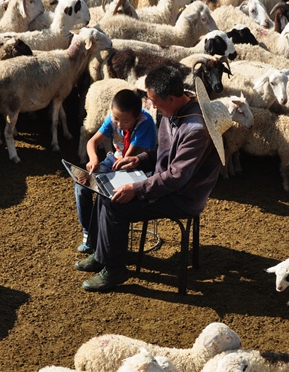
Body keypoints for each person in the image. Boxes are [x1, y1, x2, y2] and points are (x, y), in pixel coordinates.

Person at [75, 64, 223, 292]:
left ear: (172, 98)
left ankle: (115, 269)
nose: (151, 106)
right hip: (162, 179)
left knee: (115, 203)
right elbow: (165, 153)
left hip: (182, 195)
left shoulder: (195, 129)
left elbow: (177, 176)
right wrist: (141, 159)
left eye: (155, 101)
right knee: (104, 189)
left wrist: (137, 188)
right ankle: (101, 254)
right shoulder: (171, 112)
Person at [74, 89, 157, 253]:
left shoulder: (145, 123)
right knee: (82, 185)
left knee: (104, 190)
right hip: (116, 159)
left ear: (137, 117)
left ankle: (104, 238)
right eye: (116, 119)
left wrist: (103, 175)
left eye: (125, 121)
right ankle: (89, 232)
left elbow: (129, 156)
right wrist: (93, 159)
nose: (118, 124)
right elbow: (92, 141)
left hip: (136, 166)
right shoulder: (115, 118)